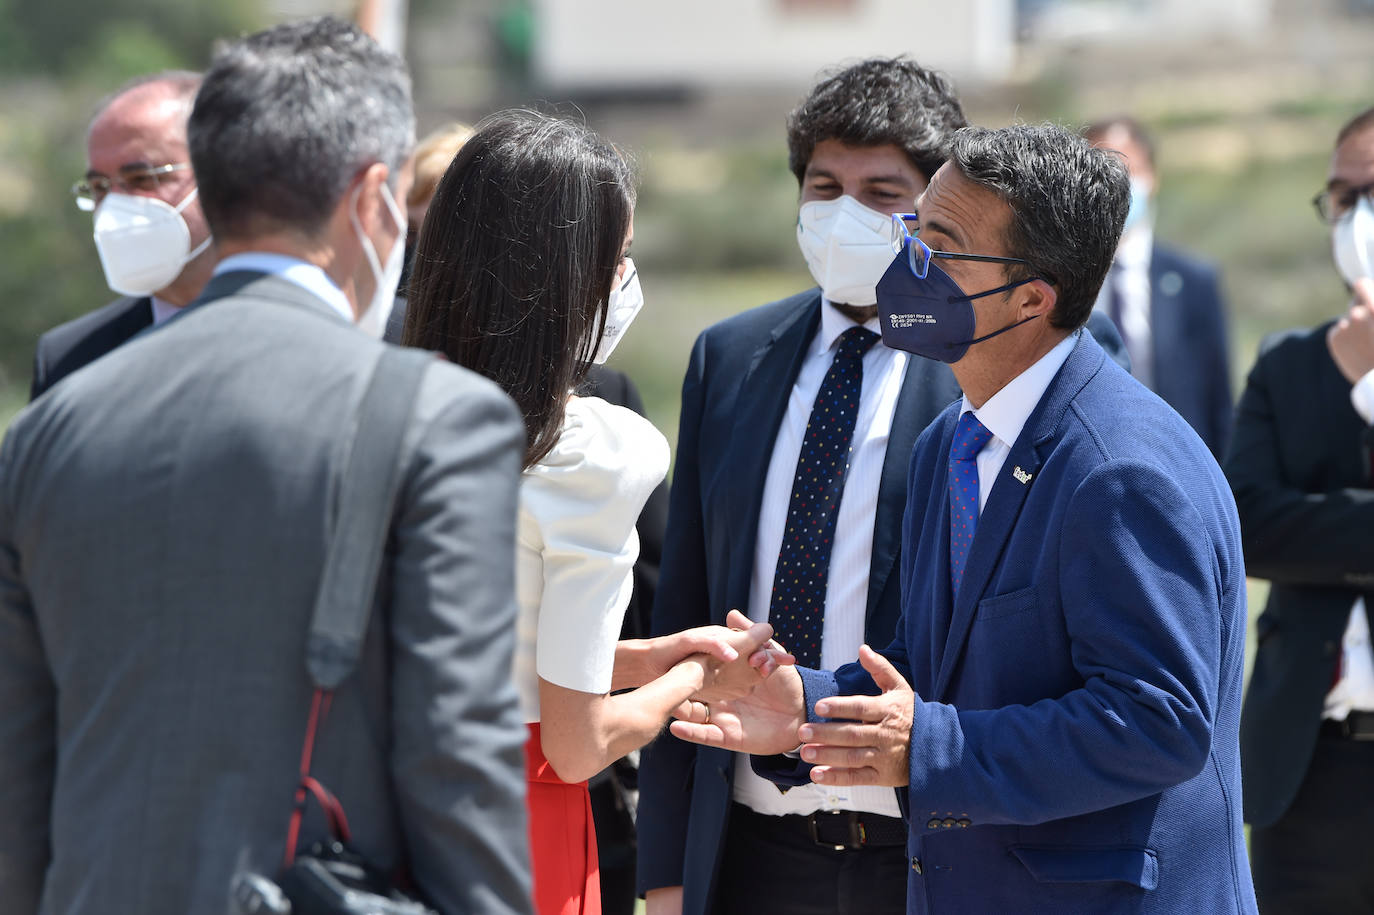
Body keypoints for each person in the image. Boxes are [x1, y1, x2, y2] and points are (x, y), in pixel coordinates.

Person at [0, 18, 533, 914]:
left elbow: (19, 765)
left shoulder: (51, 427)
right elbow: (458, 756)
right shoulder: (438, 416)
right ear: (373, 196)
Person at [673, 124, 1258, 914]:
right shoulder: (951, 440)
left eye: (940, 248)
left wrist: (929, 748)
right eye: (913, 231)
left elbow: (1159, 722)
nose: (906, 262)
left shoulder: (1120, 471)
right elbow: (935, 664)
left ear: (1032, 298)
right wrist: (808, 703)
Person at [403, 109, 779, 915]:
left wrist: (651, 657)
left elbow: (496, 649)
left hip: (392, 817)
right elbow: (578, 744)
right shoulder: (589, 450)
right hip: (517, 833)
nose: (625, 280)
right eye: (619, 258)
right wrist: (694, 677)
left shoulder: (391, 404)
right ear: (564, 275)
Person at [633, 57, 967, 915]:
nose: (846, 212)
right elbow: (685, 606)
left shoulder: (983, 366)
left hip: (927, 854)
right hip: (751, 853)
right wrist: (666, 871)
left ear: (937, 206)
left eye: (881, 192)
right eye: (825, 187)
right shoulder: (730, 357)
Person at [1228, 105, 1374, 913]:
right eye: (1343, 197)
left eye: (1373, 193)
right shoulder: (1288, 363)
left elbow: (1291, 525)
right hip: (1307, 766)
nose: (1356, 217)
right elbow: (1249, 525)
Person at [30, 70, 214, 400]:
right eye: (99, 187)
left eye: (142, 179)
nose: (115, 205)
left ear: (222, 174)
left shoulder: (303, 326)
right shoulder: (69, 359)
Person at [1084, 115, 1234, 458]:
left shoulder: (1193, 280)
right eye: (1102, 172)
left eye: (1130, 170)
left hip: (1176, 462)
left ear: (1152, 177)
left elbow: (1218, 401)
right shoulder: (1055, 281)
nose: (1117, 185)